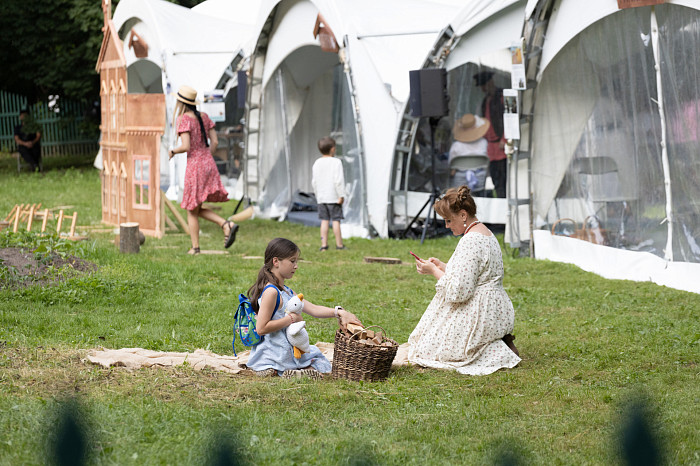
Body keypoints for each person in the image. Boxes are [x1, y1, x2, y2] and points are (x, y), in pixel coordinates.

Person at [408, 185, 521, 375]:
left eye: (449, 220)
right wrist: (444, 266)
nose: (447, 226)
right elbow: (476, 273)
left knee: (428, 349)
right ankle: (497, 341)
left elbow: (459, 292)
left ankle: (496, 350)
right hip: (495, 307)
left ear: (462, 215)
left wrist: (434, 271)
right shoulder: (485, 233)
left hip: (482, 311)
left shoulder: (471, 241)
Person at [245, 237, 362, 378]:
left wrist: (339, 312)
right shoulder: (271, 292)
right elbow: (261, 328)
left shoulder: (286, 290)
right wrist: (291, 319)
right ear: (276, 261)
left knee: (317, 357)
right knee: (318, 360)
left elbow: (313, 309)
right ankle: (278, 369)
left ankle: (284, 371)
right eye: (292, 261)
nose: (296, 266)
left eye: (296, 261)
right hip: (275, 351)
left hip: (284, 349)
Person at [169, 85, 238, 255]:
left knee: (191, 210)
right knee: (196, 208)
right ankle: (225, 224)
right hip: (208, 162)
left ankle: (195, 247)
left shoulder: (184, 119)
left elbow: (186, 146)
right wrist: (207, 157)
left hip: (195, 166)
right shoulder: (205, 117)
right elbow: (214, 142)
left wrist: (172, 151)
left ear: (181, 103)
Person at [473, 71, 507, 198]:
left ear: (490, 83)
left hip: (501, 147)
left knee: (504, 180)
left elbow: (510, 118)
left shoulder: (501, 97)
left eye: (483, 85)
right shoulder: (485, 101)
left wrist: (505, 138)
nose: (482, 88)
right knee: (496, 181)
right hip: (491, 148)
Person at [311, 136, 347, 251]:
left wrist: (318, 196)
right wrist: (341, 195)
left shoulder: (317, 163)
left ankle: (324, 245)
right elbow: (338, 181)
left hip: (322, 197)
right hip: (334, 198)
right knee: (336, 220)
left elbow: (314, 181)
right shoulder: (336, 162)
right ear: (332, 149)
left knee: (324, 221)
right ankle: (339, 245)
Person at [448, 114, 490, 196]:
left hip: (460, 183)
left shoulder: (456, 145)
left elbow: (451, 168)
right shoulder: (483, 142)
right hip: (479, 179)